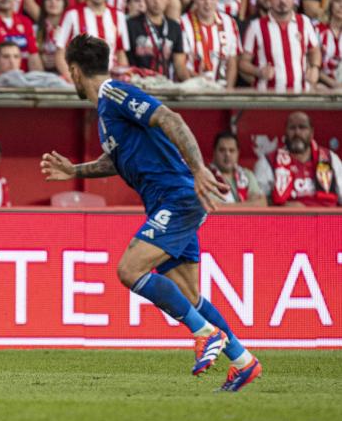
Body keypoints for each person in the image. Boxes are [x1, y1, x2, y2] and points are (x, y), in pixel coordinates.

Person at [41, 34, 262, 391]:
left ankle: (205, 334)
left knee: (130, 269)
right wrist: (75, 171)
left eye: (71, 72)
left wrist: (198, 169)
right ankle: (242, 360)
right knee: (189, 295)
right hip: (169, 200)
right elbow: (116, 160)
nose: (71, 80)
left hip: (178, 196)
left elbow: (169, 118)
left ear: (77, 71)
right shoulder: (105, 112)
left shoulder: (115, 94)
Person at [239, 0, 321, 92]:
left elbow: (314, 50)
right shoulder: (256, 26)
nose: (282, 0)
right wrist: (258, 71)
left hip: (300, 93)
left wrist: (315, 68)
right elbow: (243, 62)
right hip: (267, 96)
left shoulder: (304, 21)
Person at [55, 0, 129, 81]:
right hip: (80, 81)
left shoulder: (119, 15)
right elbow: (60, 53)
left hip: (109, 82)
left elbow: (121, 53)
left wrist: (122, 80)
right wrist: (72, 81)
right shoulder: (72, 14)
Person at [254, 112, 342, 206]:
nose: (297, 132)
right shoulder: (268, 161)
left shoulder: (330, 158)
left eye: (302, 127)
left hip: (327, 219)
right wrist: (282, 207)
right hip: (287, 219)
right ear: (285, 132)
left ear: (312, 132)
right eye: (292, 128)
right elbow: (259, 203)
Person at [180, 0, 242, 88]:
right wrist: (198, 86)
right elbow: (180, 64)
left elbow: (232, 62)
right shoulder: (182, 23)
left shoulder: (229, 22)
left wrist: (228, 92)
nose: (207, 2)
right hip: (192, 89)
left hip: (222, 92)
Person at [126, 0, 189, 81]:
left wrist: (192, 85)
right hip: (137, 85)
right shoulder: (130, 25)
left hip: (166, 85)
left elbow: (180, 66)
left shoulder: (174, 27)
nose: (157, 1)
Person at [210, 131, 266, 206]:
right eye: (222, 150)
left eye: (231, 150)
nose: (227, 155)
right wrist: (250, 204)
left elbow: (262, 204)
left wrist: (228, 206)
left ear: (238, 153)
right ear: (214, 152)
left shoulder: (247, 175)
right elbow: (213, 207)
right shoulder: (206, 176)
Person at [35, 0, 68, 72]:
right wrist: (41, 58)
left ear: (64, 4)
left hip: (66, 71)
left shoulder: (71, 28)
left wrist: (59, 59)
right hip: (42, 71)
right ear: (43, 4)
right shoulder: (35, 29)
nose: (53, 2)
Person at [318, 0, 342, 89]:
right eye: (338, 1)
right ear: (331, 4)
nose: (341, 6)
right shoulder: (318, 30)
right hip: (322, 83)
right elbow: (310, 64)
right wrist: (333, 84)